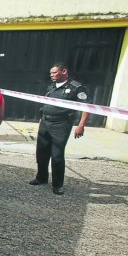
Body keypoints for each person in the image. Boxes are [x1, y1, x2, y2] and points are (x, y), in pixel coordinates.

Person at [29, 63, 90, 195]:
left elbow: (86, 107)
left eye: (54, 73)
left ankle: (57, 185)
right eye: (50, 73)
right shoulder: (51, 86)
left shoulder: (76, 87)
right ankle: (41, 178)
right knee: (41, 152)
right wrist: (41, 119)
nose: (51, 75)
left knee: (56, 155)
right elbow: (46, 103)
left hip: (61, 124)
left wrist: (81, 125)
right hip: (45, 122)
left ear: (64, 71)